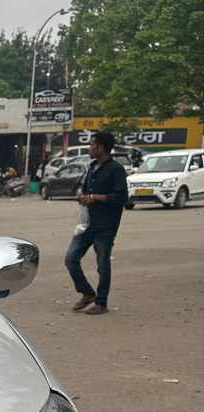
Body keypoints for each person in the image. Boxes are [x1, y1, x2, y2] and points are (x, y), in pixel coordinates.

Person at [64, 130, 128, 314]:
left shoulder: (116, 169)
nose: (89, 148)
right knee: (71, 259)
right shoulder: (92, 167)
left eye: (92, 144)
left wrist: (96, 198)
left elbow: (122, 196)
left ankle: (101, 302)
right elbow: (85, 190)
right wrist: (81, 195)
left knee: (102, 264)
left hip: (106, 226)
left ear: (101, 147)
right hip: (87, 224)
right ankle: (86, 292)